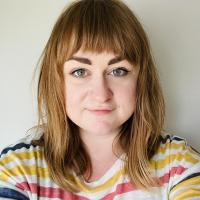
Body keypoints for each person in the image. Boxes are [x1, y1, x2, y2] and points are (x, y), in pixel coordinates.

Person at [0, 0, 200, 199]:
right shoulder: (18, 168)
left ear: (141, 80)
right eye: (80, 72)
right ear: (57, 82)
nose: (101, 94)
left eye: (118, 71)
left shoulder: (179, 166)